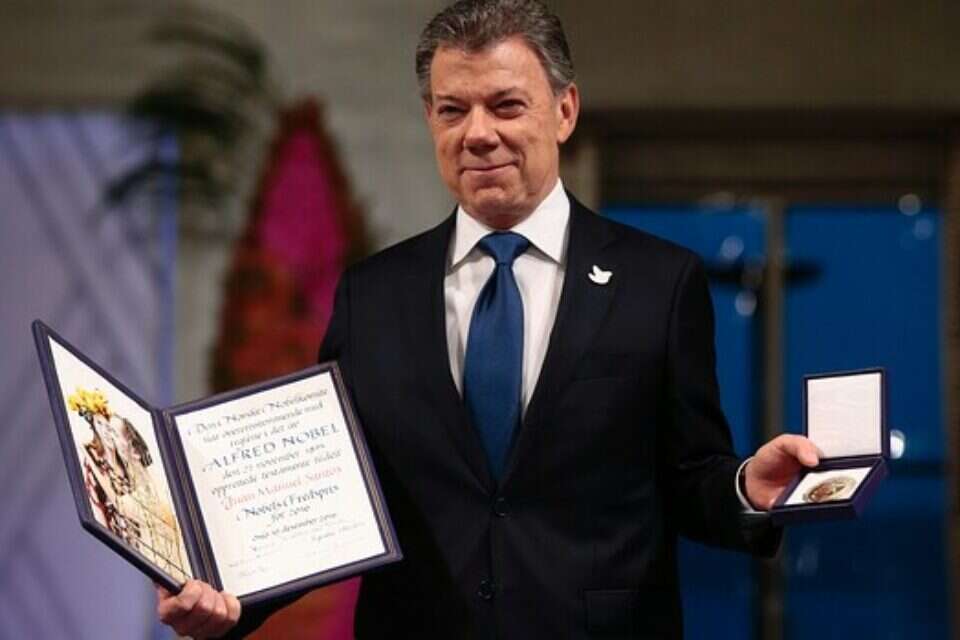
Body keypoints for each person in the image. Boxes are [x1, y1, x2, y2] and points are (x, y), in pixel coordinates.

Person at [157, 1, 822, 637]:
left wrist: (746, 488)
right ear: (430, 119)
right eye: (453, 109)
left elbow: (690, 475)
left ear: (564, 111)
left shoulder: (659, 284)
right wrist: (231, 598)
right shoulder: (372, 295)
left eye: (506, 105)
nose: (477, 134)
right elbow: (328, 495)